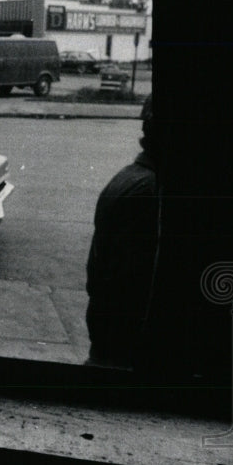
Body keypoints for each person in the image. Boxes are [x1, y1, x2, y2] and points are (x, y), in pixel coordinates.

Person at [85, 95, 159, 368]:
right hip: (121, 350)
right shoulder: (149, 192)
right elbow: (134, 286)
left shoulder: (131, 177)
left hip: (108, 338)